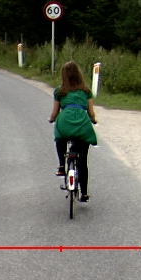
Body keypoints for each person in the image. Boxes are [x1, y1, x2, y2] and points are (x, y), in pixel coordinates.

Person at [48, 61, 97, 202]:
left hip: (65, 123)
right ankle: (84, 193)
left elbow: (55, 113)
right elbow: (91, 113)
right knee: (83, 161)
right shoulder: (86, 91)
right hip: (82, 124)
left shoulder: (60, 91)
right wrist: (93, 120)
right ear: (79, 74)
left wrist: (51, 119)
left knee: (60, 137)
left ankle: (62, 166)